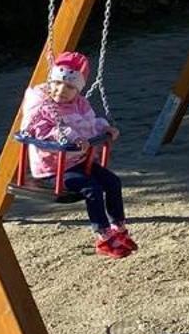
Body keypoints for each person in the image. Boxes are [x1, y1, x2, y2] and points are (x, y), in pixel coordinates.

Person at [17, 51, 136, 259]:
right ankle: (103, 237)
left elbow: (89, 124)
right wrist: (70, 137)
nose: (61, 89)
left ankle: (119, 228)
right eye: (56, 83)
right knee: (93, 189)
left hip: (80, 161)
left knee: (113, 182)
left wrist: (105, 128)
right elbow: (42, 132)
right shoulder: (44, 107)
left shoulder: (80, 104)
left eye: (70, 86)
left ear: (78, 90)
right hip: (54, 169)